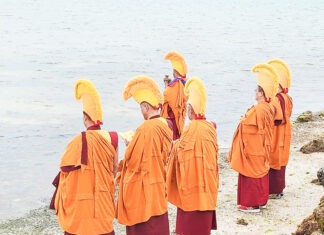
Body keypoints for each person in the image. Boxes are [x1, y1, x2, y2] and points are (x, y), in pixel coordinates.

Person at [50, 79, 118, 235]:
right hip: (103, 202)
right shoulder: (112, 138)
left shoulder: (76, 141)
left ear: (85, 118)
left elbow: (64, 173)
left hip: (81, 207)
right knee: (103, 227)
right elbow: (114, 171)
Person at [116, 76, 173, 235]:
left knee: (144, 222)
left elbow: (134, 162)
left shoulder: (145, 129)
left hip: (145, 182)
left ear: (146, 107)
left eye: (141, 107)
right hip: (159, 180)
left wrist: (129, 146)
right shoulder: (165, 125)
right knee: (157, 217)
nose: (141, 111)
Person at [167, 77, 219, 235]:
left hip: (192, 181)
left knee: (190, 211)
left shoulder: (190, 129)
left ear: (191, 111)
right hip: (208, 179)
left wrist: (174, 144)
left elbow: (181, 152)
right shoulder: (210, 127)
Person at [228, 64, 278, 212]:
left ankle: (252, 204)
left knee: (252, 173)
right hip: (263, 145)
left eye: (256, 90)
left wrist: (243, 120)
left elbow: (248, 127)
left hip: (254, 147)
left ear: (262, 93)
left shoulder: (259, 109)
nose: (255, 92)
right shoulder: (268, 107)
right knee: (261, 171)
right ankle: (261, 201)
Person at [268, 59, 293, 199]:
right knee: (281, 159)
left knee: (274, 158)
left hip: (277, 133)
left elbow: (274, 117)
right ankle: (279, 189)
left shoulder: (276, 99)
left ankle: (274, 190)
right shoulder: (287, 97)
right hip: (286, 132)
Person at [161, 51, 188, 140]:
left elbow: (165, 97)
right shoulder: (185, 83)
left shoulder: (175, 84)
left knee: (171, 139)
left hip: (171, 117)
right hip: (179, 117)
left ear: (175, 72)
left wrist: (166, 85)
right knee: (177, 137)